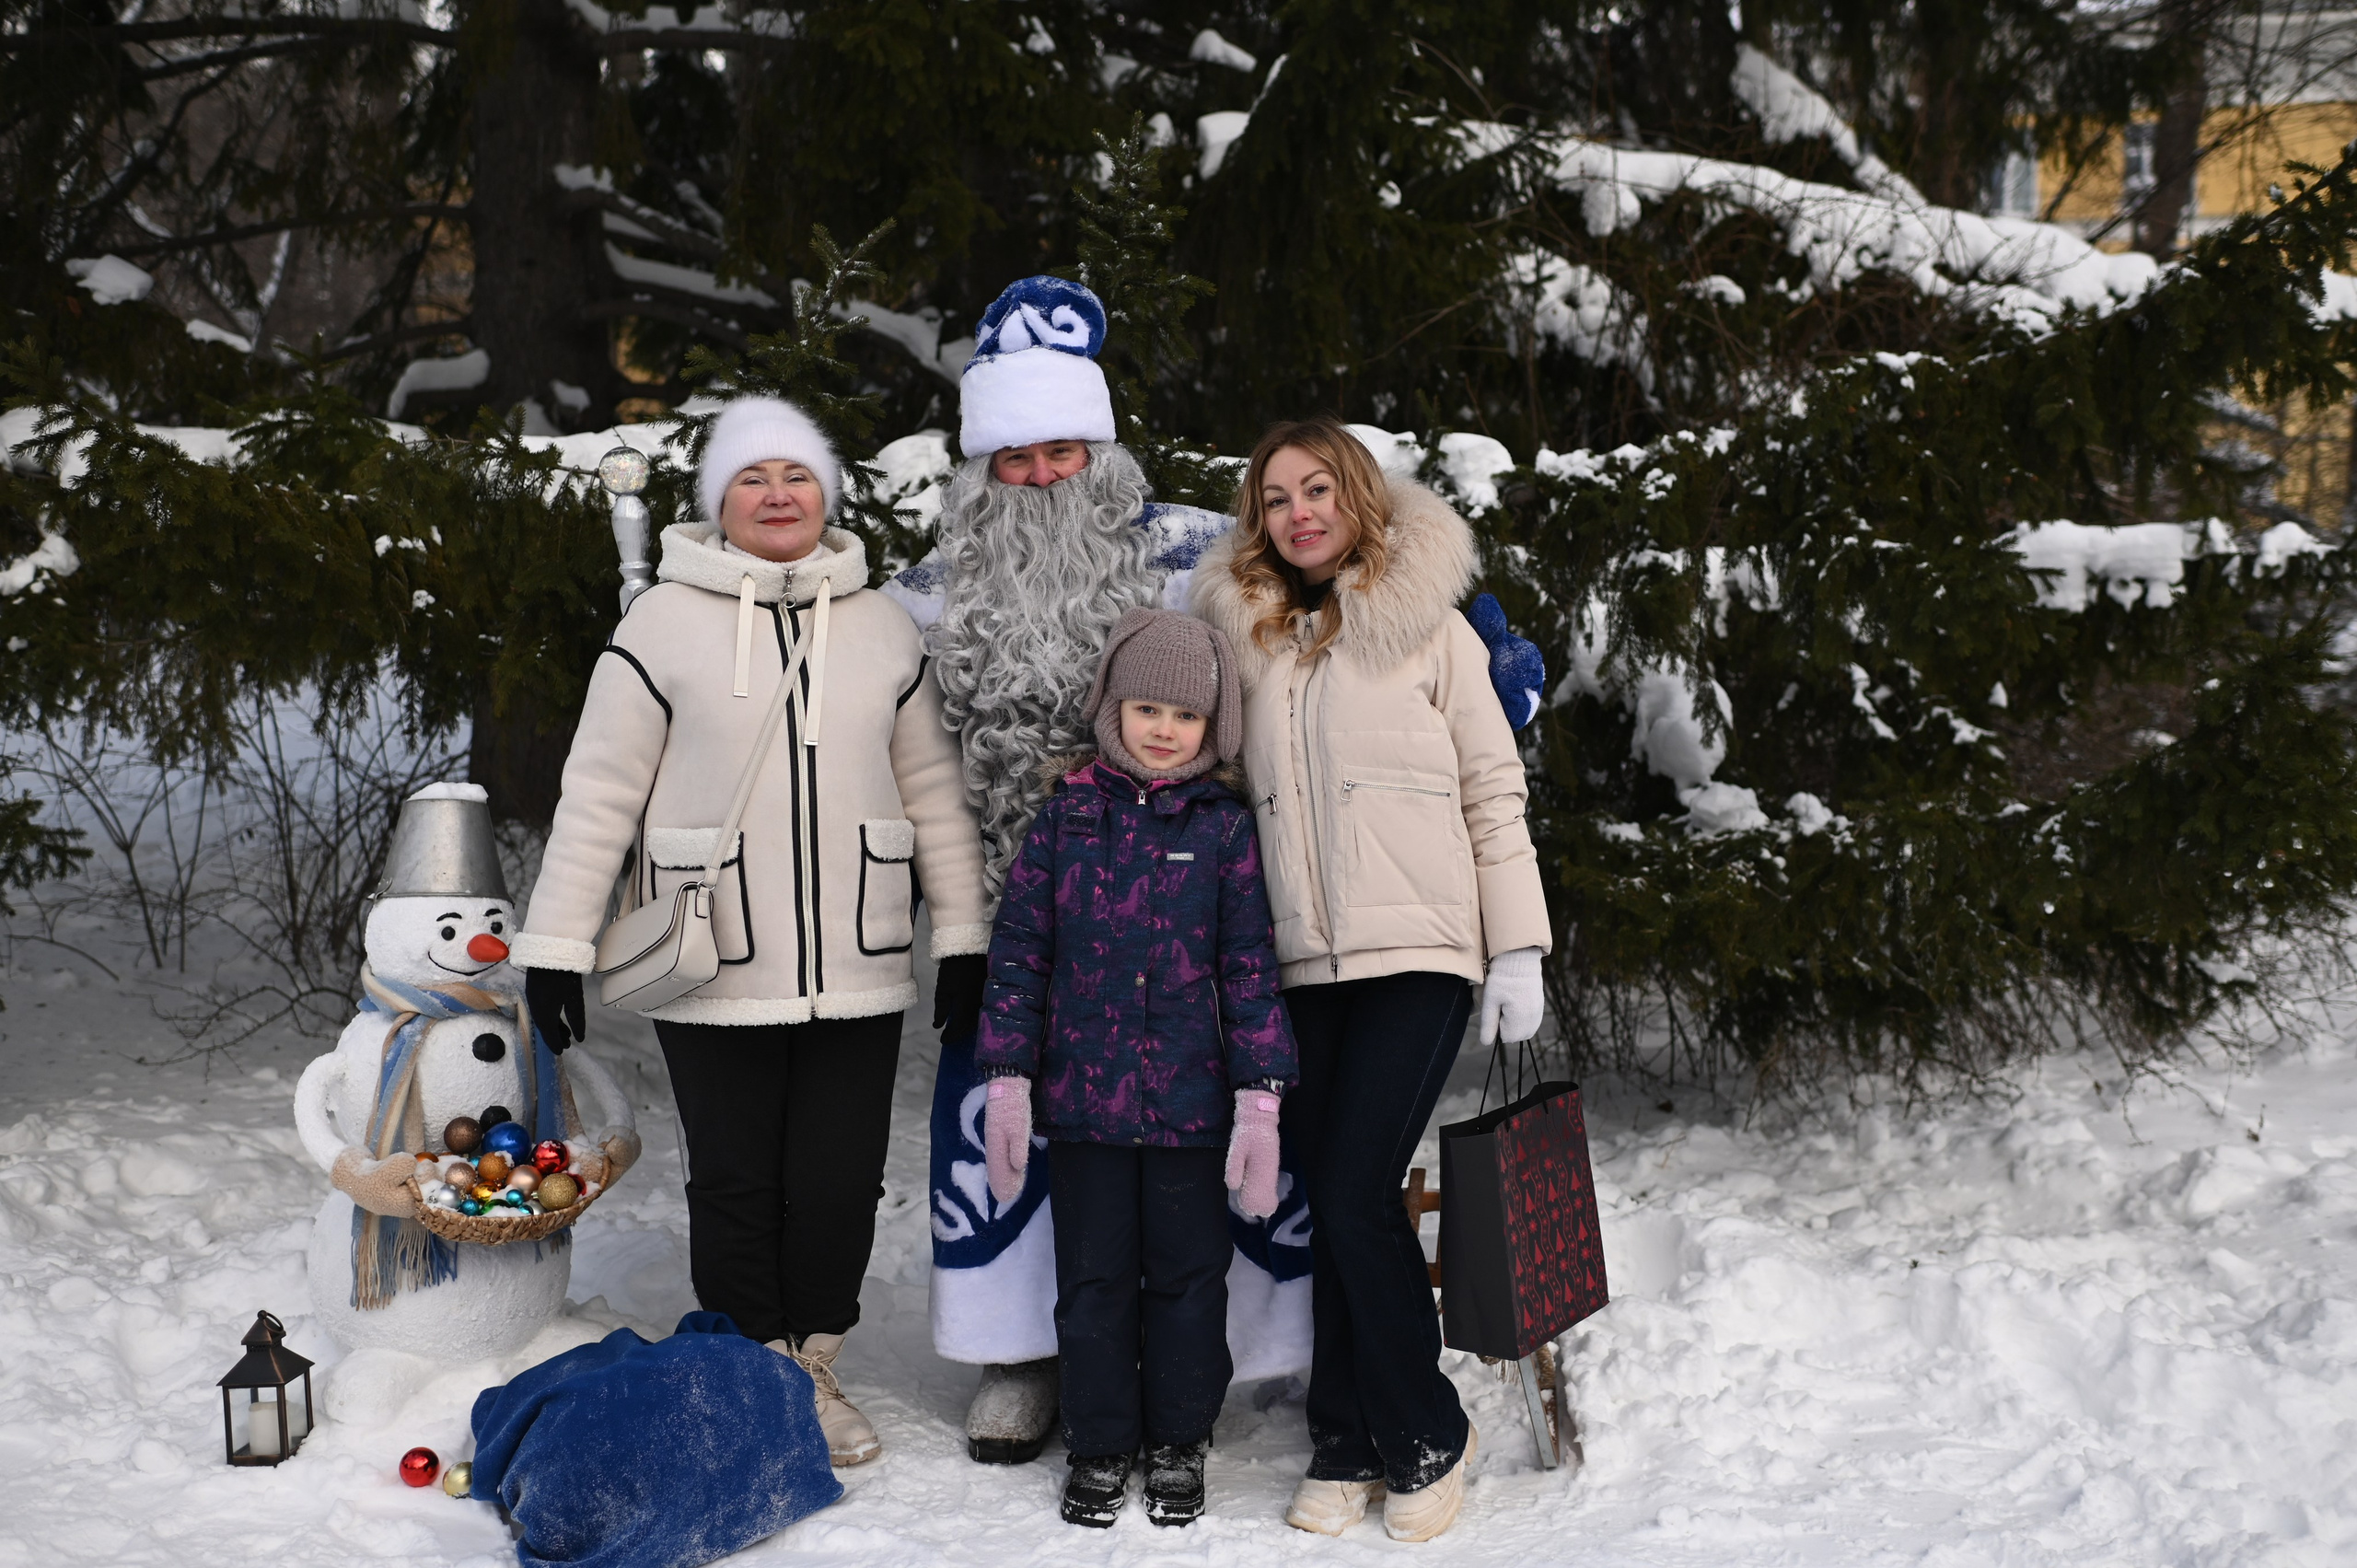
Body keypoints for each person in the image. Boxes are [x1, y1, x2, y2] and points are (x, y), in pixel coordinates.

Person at [882, 274, 1546, 1466]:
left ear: (1103, 445)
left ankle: (1266, 1349)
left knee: (1225, 1133)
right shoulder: (925, 595)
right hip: (1017, 915)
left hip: (1197, 903)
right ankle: (1022, 1350)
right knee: (1011, 1130)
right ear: (981, 468)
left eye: (1064, 447)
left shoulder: (1191, 552)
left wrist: (1478, 650)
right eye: (1015, 456)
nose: (1043, 475)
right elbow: (867, 727)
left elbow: (1340, 605)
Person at [509, 396, 991, 1469]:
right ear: (718, 502)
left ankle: (811, 1361)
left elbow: (934, 792)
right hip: (709, 950)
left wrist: (963, 933)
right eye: (752, 479)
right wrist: (557, 944)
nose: (779, 496)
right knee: (734, 1177)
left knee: (837, 1177)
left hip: (857, 963)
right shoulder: (660, 627)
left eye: (798, 477)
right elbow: (599, 795)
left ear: (828, 493)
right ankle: (749, 1365)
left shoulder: (880, 626)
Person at [1191, 418, 1553, 1544]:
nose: (1298, 513)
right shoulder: (1244, 640)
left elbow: (1494, 789)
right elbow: (1207, 787)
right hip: (1298, 964)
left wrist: (1518, 948)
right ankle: (1346, 1437)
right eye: (1275, 498)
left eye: (1318, 490)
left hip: (1422, 952)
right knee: (1340, 1193)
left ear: (1359, 497)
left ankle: (1425, 1429)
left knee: (1351, 1185)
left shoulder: (1427, 630)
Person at [971, 609, 1296, 1529]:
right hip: (1085, 1113)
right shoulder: (1066, 821)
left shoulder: (1227, 832)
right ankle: (1101, 1438)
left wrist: (1261, 1097)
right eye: (1146, 706)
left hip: (1193, 1113)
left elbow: (1249, 968)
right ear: (1114, 709)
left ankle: (1179, 1438)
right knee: (1093, 1283)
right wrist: (1007, 1075)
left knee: (1190, 1283)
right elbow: (1020, 955)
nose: (1163, 728)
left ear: (1213, 728)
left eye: (1184, 715)